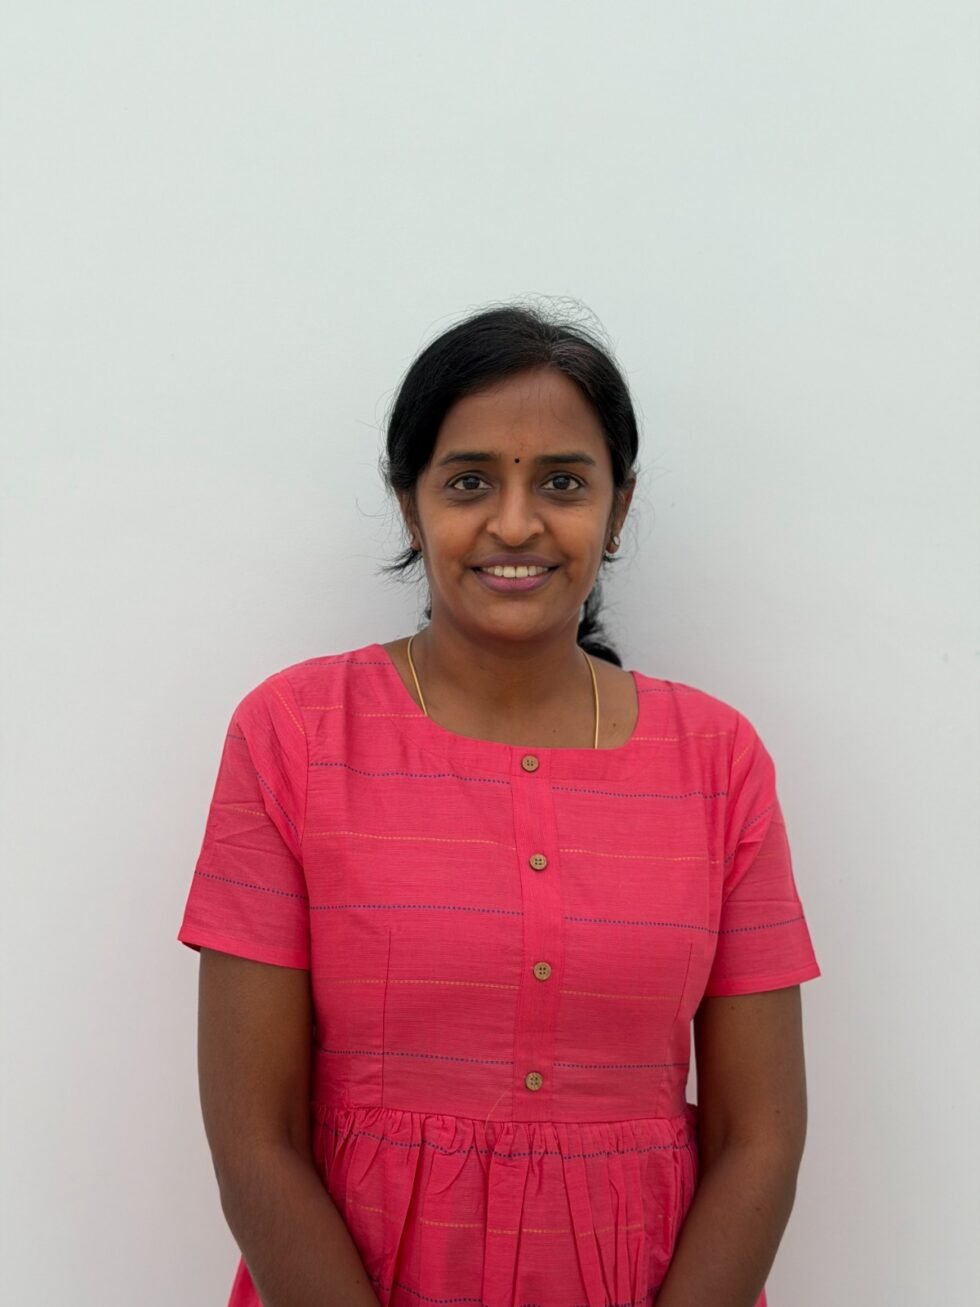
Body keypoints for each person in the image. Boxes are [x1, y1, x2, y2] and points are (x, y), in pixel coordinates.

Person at [177, 301, 821, 1307]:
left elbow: (761, 1137)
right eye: (469, 480)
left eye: (562, 481)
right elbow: (254, 1138)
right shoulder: (294, 734)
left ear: (617, 508)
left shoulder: (716, 759)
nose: (515, 523)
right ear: (409, 503)